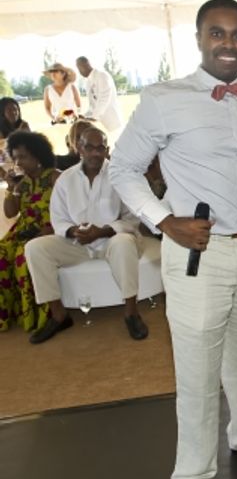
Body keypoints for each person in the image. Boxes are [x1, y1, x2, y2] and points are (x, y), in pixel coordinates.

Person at [108, 0, 237, 479]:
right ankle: (190, 478)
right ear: (198, 39)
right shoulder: (164, 99)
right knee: (196, 372)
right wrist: (165, 220)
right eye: (218, 33)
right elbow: (123, 169)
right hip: (195, 252)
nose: (229, 44)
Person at [25, 127, 149, 344]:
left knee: (123, 242)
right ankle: (59, 315)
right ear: (79, 148)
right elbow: (58, 219)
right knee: (35, 248)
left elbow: (132, 218)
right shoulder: (66, 179)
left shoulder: (119, 176)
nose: (95, 153)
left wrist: (103, 231)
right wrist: (73, 231)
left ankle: (131, 312)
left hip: (110, 240)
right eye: (89, 147)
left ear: (107, 150)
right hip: (77, 242)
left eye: (101, 148)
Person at [0, 132, 59, 332]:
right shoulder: (22, 183)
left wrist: (53, 228)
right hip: (23, 230)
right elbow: (10, 212)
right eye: (15, 157)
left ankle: (38, 317)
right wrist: (11, 188)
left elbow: (73, 209)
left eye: (23, 157)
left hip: (48, 231)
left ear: (37, 155)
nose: (18, 162)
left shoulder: (54, 177)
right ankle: (10, 314)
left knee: (22, 256)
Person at [75, 56, 123, 132]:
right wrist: (84, 116)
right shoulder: (88, 82)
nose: (79, 72)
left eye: (79, 68)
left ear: (86, 64)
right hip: (101, 125)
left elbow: (104, 98)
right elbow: (92, 106)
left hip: (113, 123)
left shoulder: (102, 75)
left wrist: (94, 117)